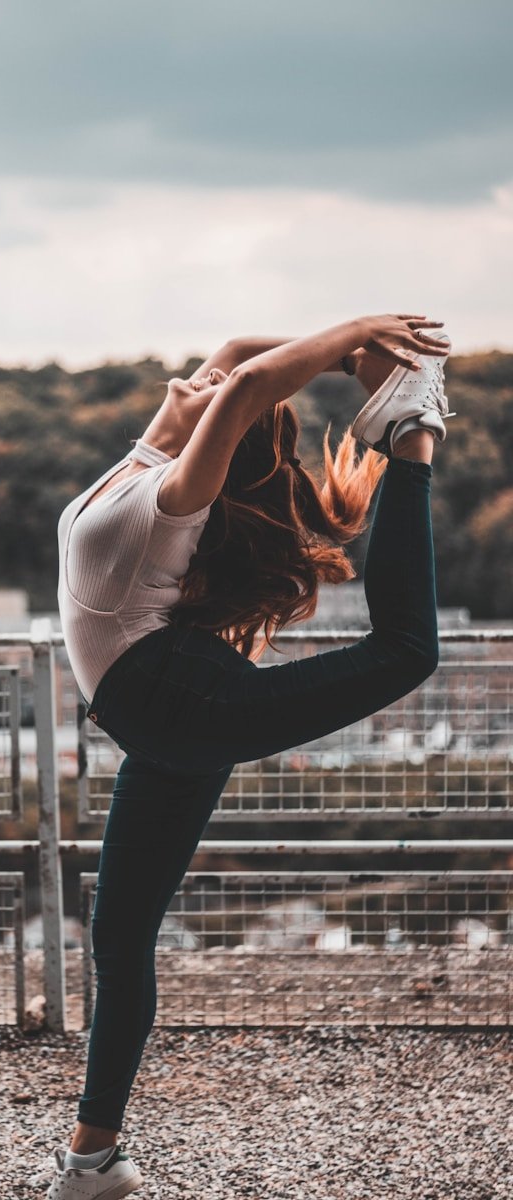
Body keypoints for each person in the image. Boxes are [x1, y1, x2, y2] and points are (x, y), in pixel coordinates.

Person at [47, 314, 452, 1199]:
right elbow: (234, 360)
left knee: (407, 652)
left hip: (184, 705)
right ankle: (92, 1164)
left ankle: (414, 444)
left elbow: (238, 392)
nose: (191, 380)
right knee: (120, 941)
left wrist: (361, 342)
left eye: (211, 402)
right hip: (166, 709)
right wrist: (348, 355)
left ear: (215, 443)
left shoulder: (169, 501)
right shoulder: (152, 453)